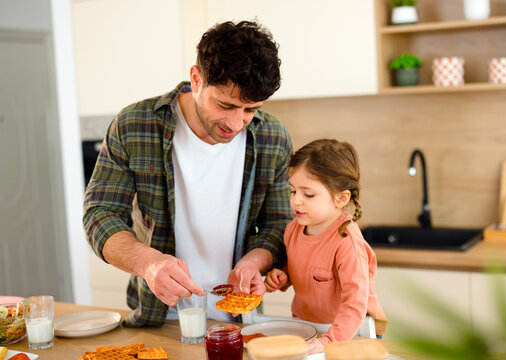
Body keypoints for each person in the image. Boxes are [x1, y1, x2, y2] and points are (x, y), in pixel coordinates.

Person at [83, 20, 294, 326]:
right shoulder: (134, 125)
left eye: (250, 110)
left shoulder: (273, 137)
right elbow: (99, 214)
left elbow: (279, 224)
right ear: (196, 78)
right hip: (157, 320)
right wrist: (149, 263)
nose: (236, 124)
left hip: (238, 321)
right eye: (225, 105)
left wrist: (253, 261)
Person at [264, 139, 387, 354]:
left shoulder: (347, 243)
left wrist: (330, 340)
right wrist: (283, 275)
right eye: (293, 191)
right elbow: (301, 265)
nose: (296, 201)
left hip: (354, 332)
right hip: (310, 328)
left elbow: (354, 304)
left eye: (308, 194)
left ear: (341, 198)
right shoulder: (294, 228)